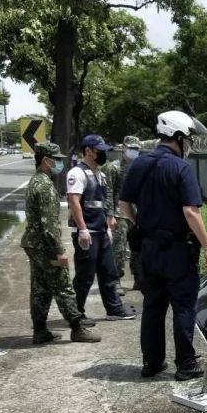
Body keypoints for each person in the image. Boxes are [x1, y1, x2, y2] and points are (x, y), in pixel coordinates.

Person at [119, 110, 207, 381]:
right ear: (177, 136)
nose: (190, 144)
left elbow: (124, 204)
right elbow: (191, 211)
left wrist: (140, 224)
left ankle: (151, 363)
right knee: (183, 306)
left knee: (153, 306)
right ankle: (185, 364)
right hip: (177, 250)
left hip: (148, 250)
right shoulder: (181, 168)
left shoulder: (138, 164)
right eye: (188, 139)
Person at [20, 142, 100, 344]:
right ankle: (77, 328)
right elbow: (48, 224)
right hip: (46, 246)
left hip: (33, 244)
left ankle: (39, 331)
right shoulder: (45, 186)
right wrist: (59, 251)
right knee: (63, 285)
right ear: (45, 160)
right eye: (56, 159)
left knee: (40, 287)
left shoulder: (35, 181)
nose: (59, 163)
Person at [67, 134, 136, 322]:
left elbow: (103, 203)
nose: (103, 155)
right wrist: (82, 229)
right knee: (85, 276)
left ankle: (114, 309)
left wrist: (108, 223)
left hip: (101, 231)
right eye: (100, 151)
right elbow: (74, 202)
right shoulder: (77, 173)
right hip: (87, 233)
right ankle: (76, 314)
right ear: (88, 151)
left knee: (108, 272)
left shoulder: (100, 174)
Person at [106, 135, 142, 294]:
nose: (134, 152)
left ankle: (139, 278)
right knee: (119, 249)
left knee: (138, 247)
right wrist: (110, 215)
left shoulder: (140, 166)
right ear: (124, 149)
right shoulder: (113, 168)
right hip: (119, 213)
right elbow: (108, 192)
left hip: (137, 213)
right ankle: (116, 280)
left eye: (136, 149)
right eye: (131, 148)